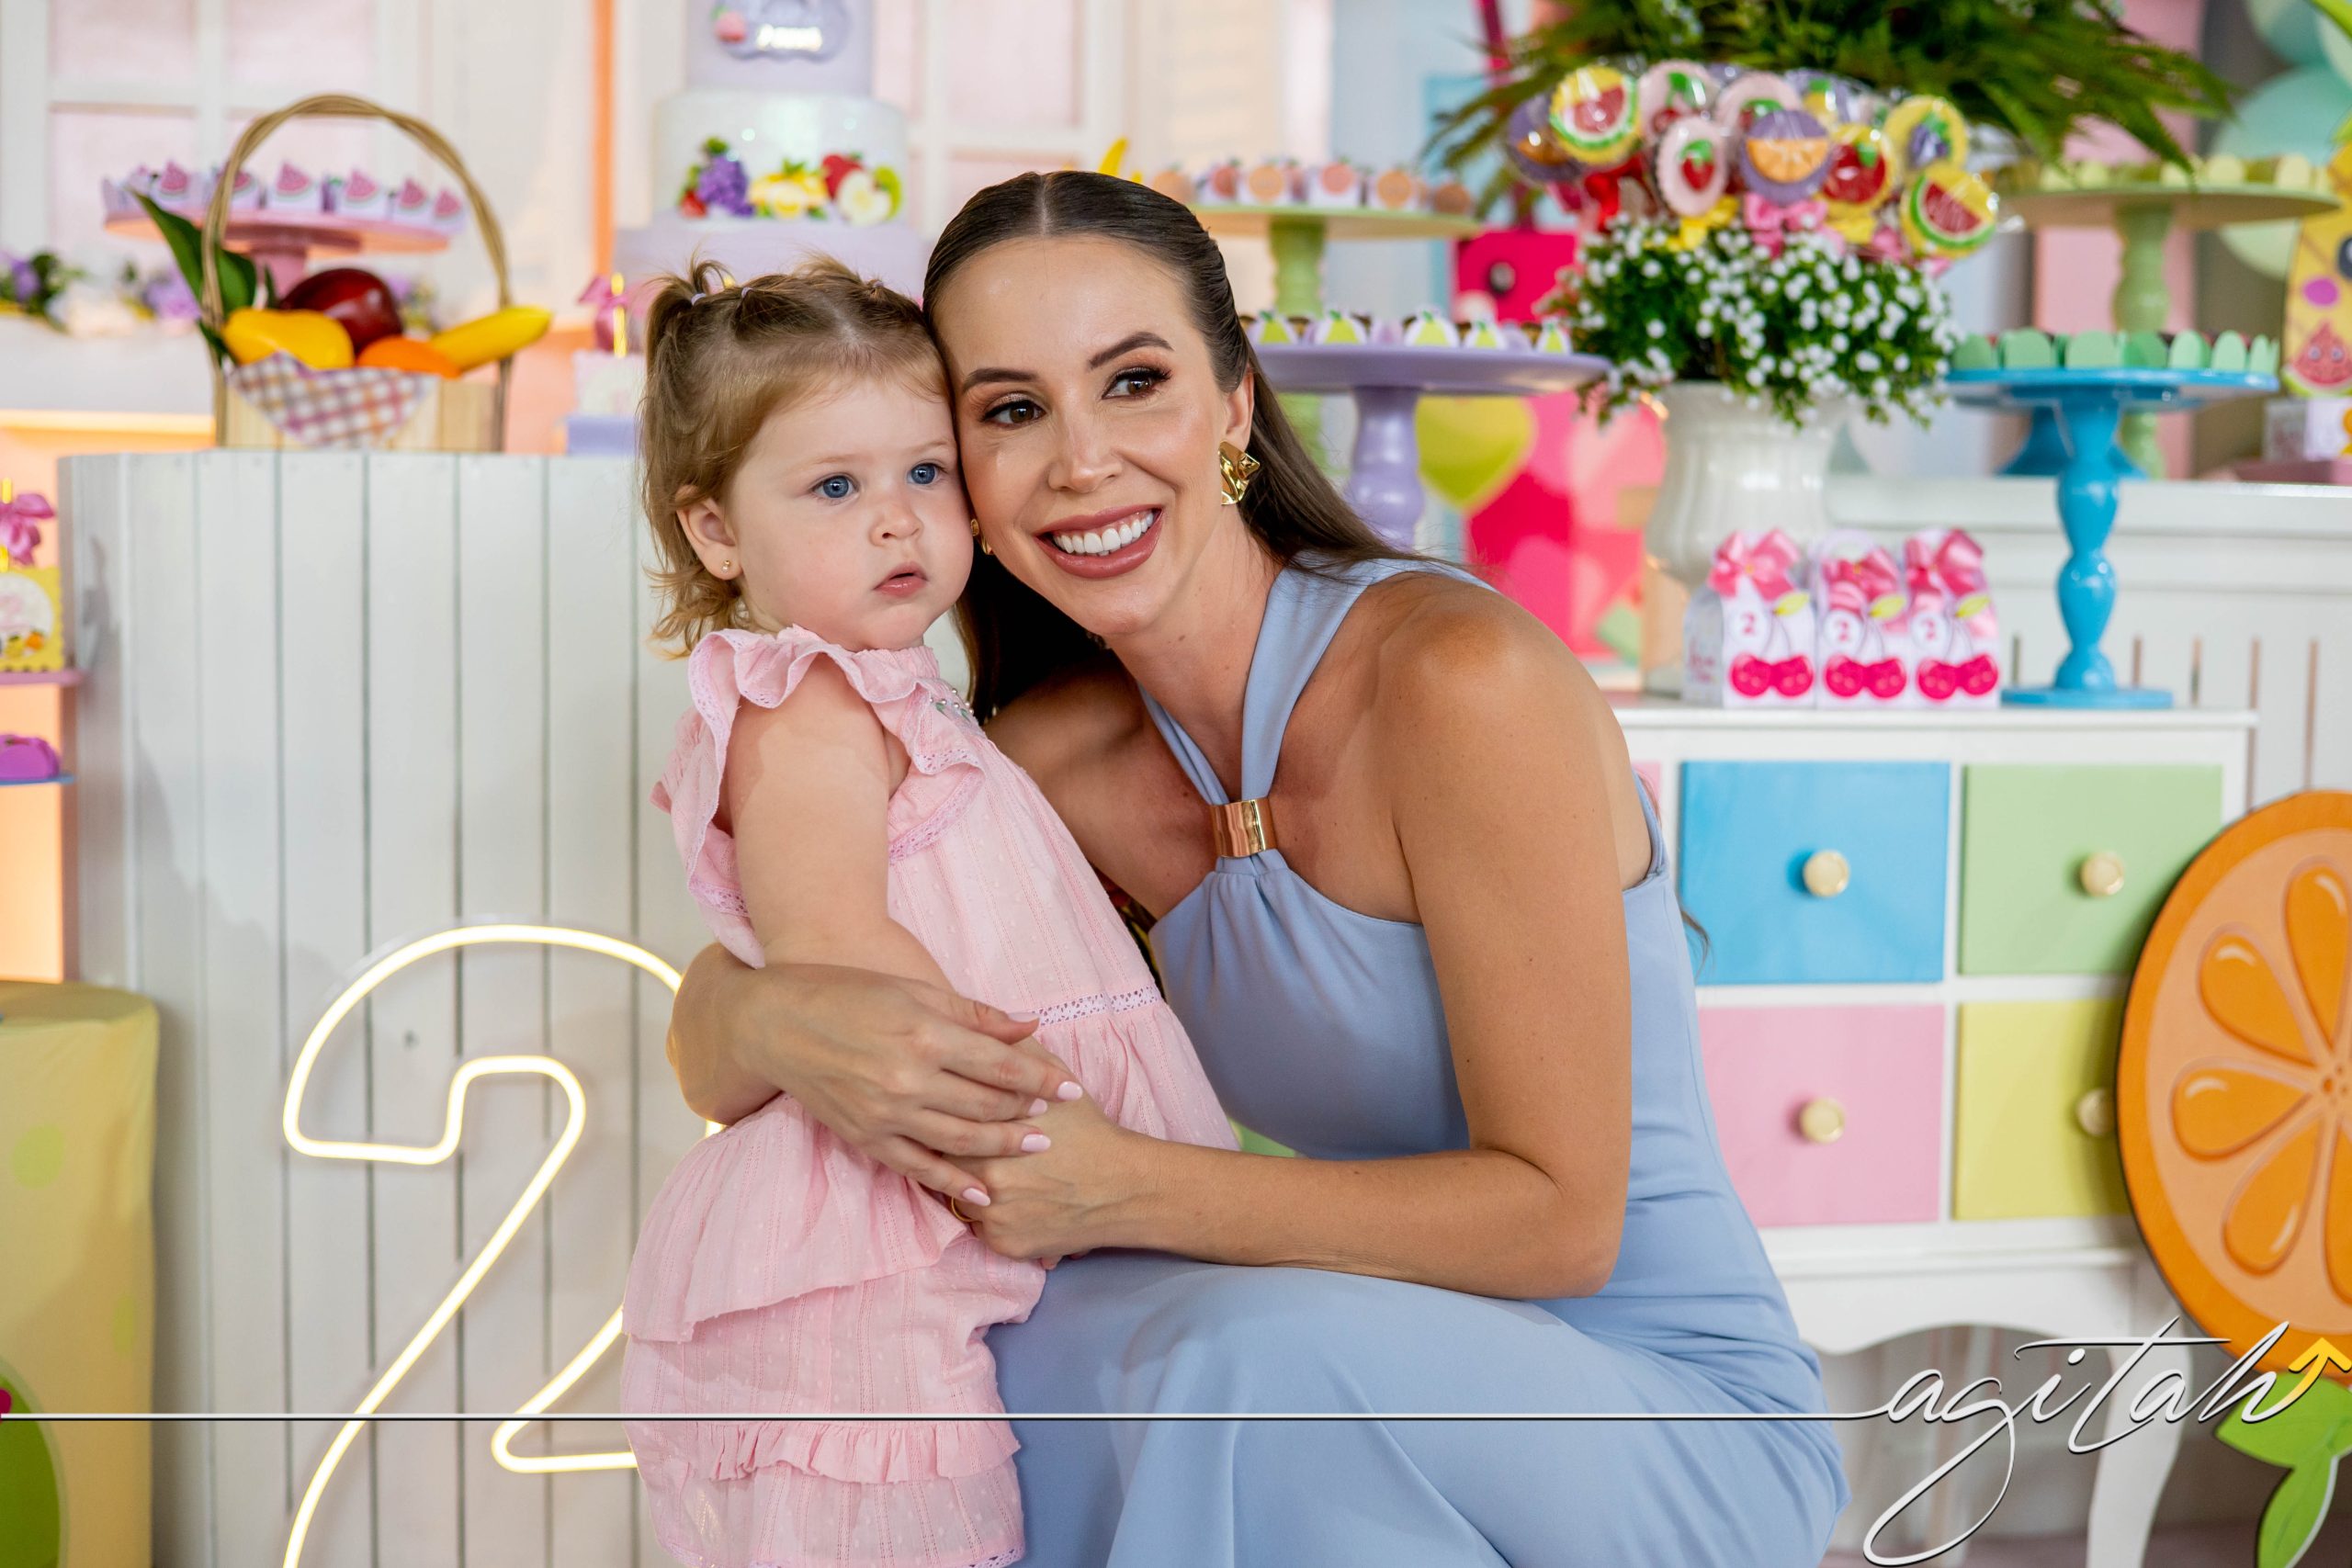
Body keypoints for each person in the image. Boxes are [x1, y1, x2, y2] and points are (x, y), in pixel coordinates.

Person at [665, 173, 1851, 1567]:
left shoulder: (1457, 681)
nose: (1081, 462)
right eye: (1012, 411)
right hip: (1335, 1338)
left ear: (1233, 404)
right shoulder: (1047, 761)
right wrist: (768, 1019)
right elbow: (748, 1007)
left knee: (1240, 1366)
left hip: (1644, 1406)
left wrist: (1121, 1186)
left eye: (1135, 383)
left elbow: (1562, 1226)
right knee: (984, 1369)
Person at [617, 257, 1238, 1568]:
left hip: (953, 1179)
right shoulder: (806, 702)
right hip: (886, 1210)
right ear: (717, 532)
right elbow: (837, 962)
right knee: (902, 1513)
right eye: (836, 488)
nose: (897, 522)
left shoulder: (902, 692)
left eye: (924, 472)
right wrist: (1030, 1122)